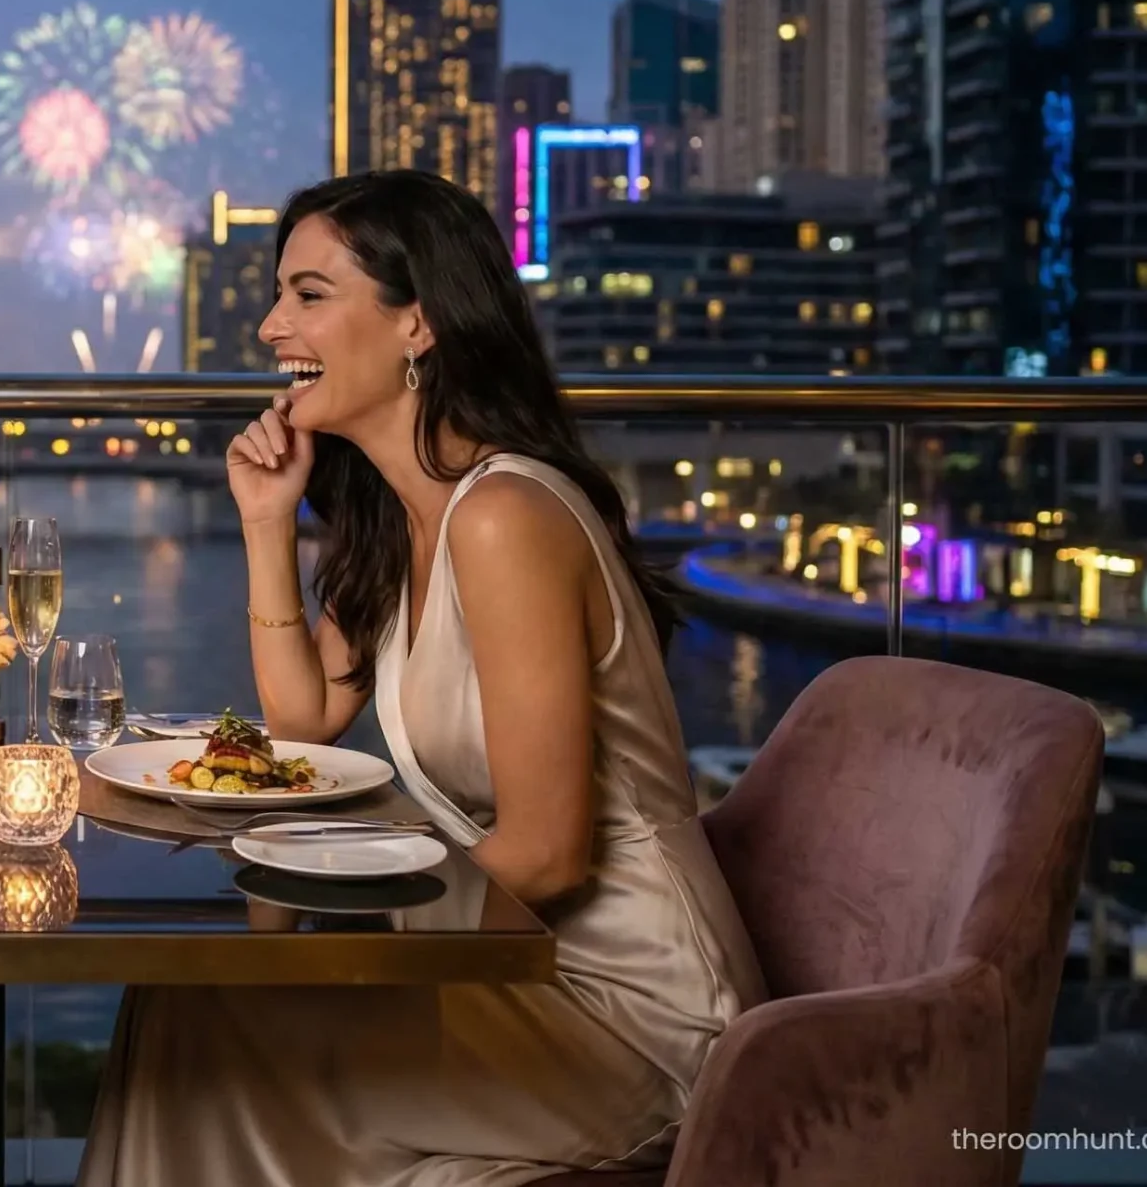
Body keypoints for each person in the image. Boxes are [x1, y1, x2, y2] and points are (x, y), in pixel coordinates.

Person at [78, 170, 765, 1186]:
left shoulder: (502, 516)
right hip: (502, 957)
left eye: (308, 295)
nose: (271, 326)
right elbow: (304, 717)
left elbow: (546, 849)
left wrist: (387, 963)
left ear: (420, 324)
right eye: (279, 295)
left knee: (214, 1025)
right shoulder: (408, 514)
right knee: (188, 995)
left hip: (623, 1006)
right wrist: (267, 521)